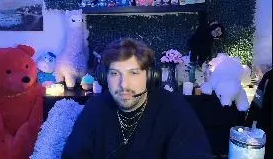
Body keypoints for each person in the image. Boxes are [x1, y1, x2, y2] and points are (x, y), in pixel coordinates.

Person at [62, 37, 213, 159]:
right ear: (104, 77)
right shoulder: (95, 108)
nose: (123, 84)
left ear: (150, 76)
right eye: (115, 73)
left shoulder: (175, 109)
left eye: (133, 73)